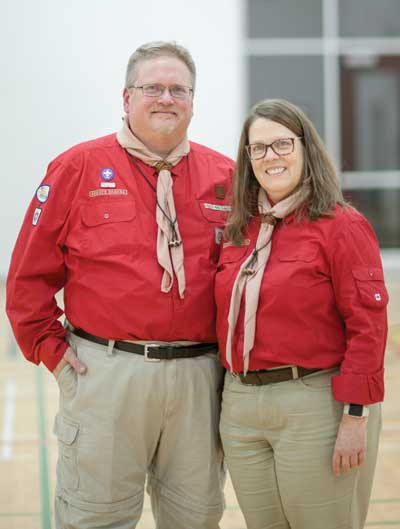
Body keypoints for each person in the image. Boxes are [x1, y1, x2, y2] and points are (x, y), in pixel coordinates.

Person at [6, 41, 234, 529]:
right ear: (126, 97)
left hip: (200, 378)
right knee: (96, 520)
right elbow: (27, 275)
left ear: (194, 100)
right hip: (106, 374)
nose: (166, 98)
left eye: (179, 89)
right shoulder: (77, 168)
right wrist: (49, 349)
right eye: (153, 87)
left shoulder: (226, 177)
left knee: (196, 519)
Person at [215, 99, 388, 529]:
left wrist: (354, 415)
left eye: (282, 144)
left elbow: (368, 327)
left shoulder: (341, 225)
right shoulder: (240, 232)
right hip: (241, 409)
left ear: (305, 148)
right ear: (248, 158)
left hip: (314, 403)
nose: (271, 156)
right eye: (259, 148)